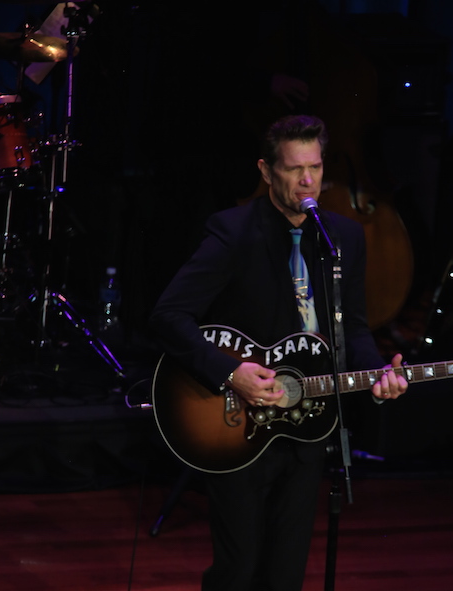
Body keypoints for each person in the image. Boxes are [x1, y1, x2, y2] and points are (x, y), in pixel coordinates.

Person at [148, 114, 408, 591]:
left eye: (315, 166)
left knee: (285, 573)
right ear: (266, 171)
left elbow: (353, 329)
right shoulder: (233, 232)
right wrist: (230, 374)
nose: (307, 180)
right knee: (239, 568)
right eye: (293, 169)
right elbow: (168, 316)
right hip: (240, 422)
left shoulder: (343, 239)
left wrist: (378, 373)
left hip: (308, 420)